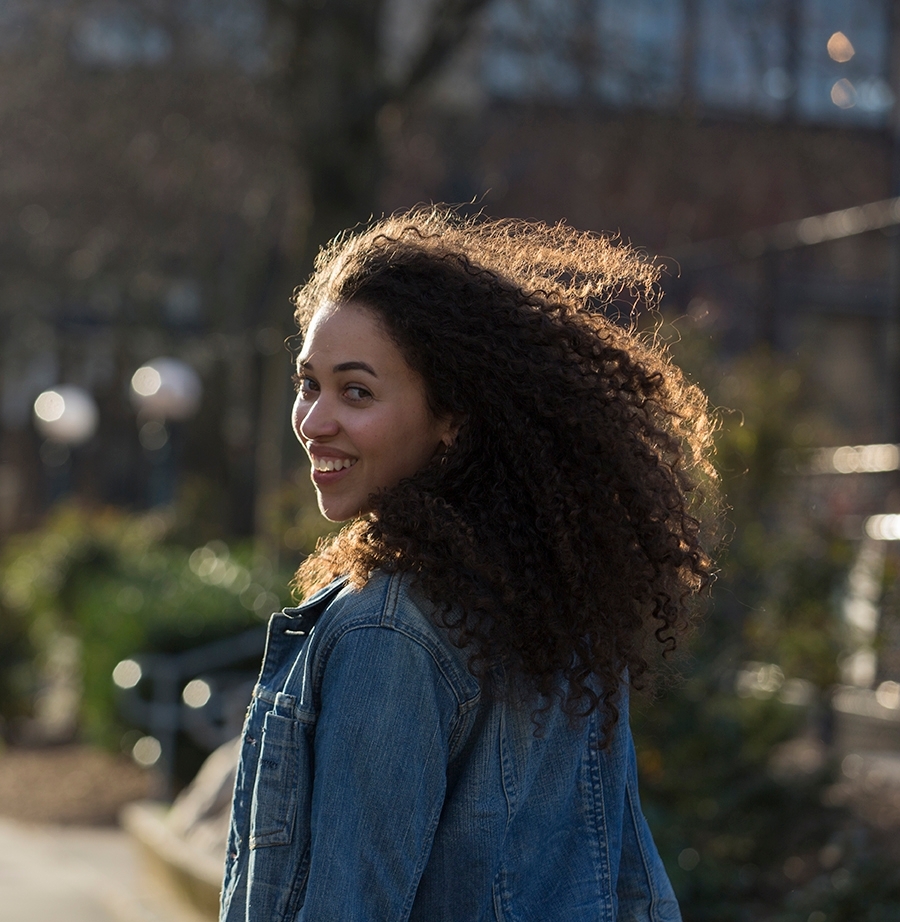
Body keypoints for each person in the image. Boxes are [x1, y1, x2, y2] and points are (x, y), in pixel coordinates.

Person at [220, 210, 716, 921]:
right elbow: (634, 891)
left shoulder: (387, 632)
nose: (315, 421)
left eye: (356, 392)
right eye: (309, 384)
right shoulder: (550, 610)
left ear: (452, 417)